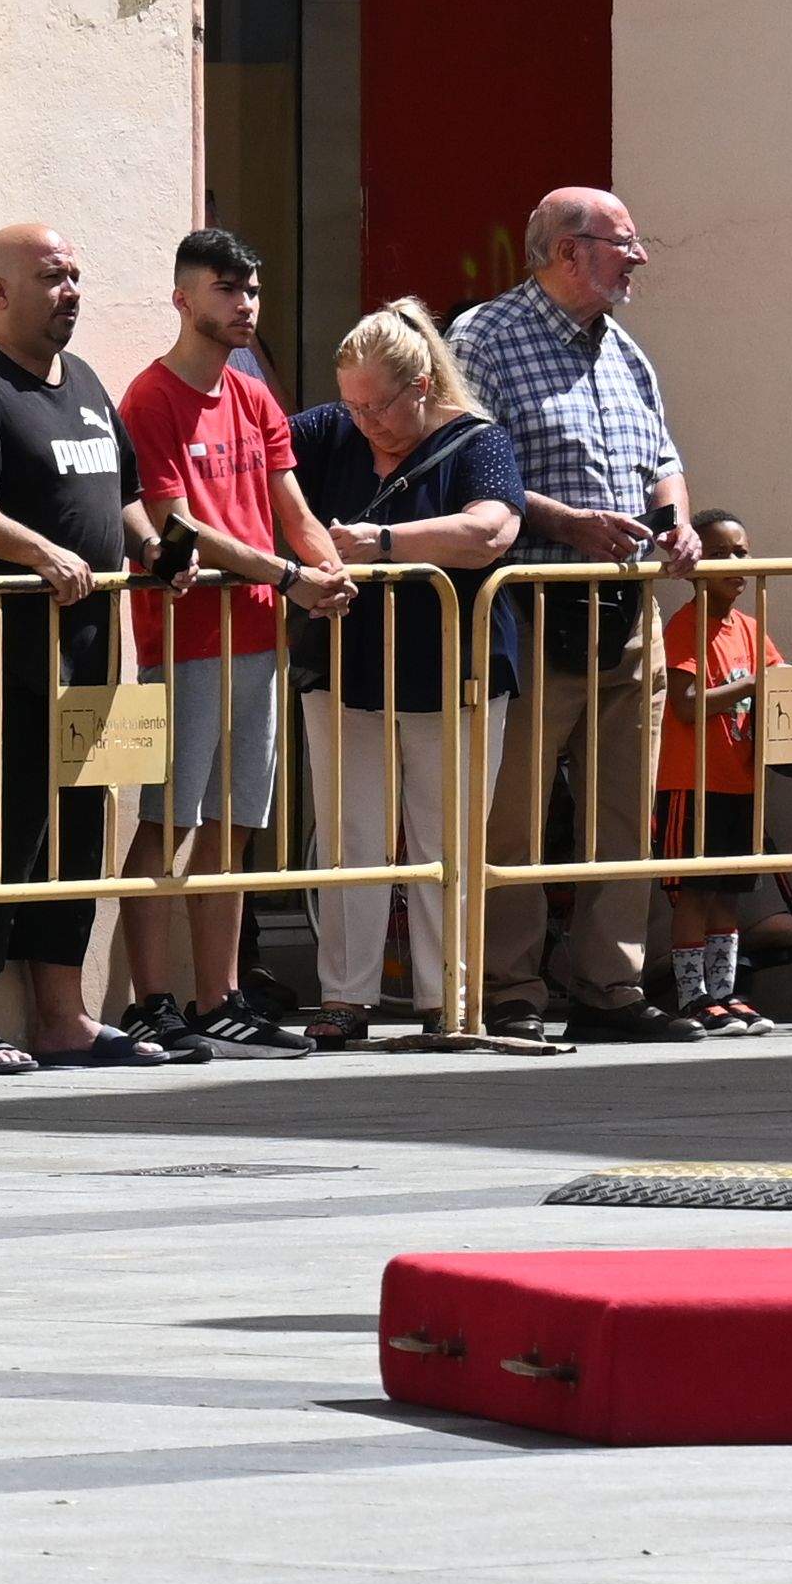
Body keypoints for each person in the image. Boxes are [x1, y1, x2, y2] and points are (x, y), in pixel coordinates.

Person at [0, 223, 179, 1073]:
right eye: (53, 277)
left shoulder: (86, 383)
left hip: (93, 652)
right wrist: (37, 552)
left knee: (78, 832)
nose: (72, 292)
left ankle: (65, 1018)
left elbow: (120, 494)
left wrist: (153, 551)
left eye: (76, 276)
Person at [454, 187, 698, 1043]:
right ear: (566, 251)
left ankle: (609, 985)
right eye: (623, 243)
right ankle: (511, 990)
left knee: (626, 810)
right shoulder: (485, 338)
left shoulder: (625, 351)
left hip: (627, 613)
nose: (638, 258)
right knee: (513, 815)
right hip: (531, 609)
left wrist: (677, 521)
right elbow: (464, 466)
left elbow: (661, 456)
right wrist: (567, 522)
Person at [117, 228, 350, 1057]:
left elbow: (290, 505)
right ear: (183, 298)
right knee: (164, 820)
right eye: (227, 290)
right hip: (180, 643)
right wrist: (293, 574)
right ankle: (151, 1000)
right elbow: (178, 522)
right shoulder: (150, 398)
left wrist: (327, 570)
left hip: (258, 634)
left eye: (251, 290)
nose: (245, 305)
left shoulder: (254, 396)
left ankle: (219, 997)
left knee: (234, 824)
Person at [287, 300, 525, 1044]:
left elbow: (491, 528)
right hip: (344, 660)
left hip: (455, 666)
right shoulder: (329, 430)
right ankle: (344, 998)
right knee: (348, 832)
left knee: (444, 838)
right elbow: (261, 464)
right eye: (353, 404)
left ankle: (445, 999)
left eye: (379, 405)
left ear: (421, 384)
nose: (364, 422)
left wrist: (380, 540)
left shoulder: (477, 441)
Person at [655, 514, 792, 1029]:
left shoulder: (751, 628)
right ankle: (692, 994)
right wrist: (750, 686)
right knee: (695, 891)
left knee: (729, 891)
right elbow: (686, 704)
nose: (736, 564)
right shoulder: (684, 625)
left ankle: (725, 990)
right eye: (721, 554)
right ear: (695, 566)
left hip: (739, 780)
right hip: (692, 782)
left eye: (742, 552)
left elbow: (778, 684)